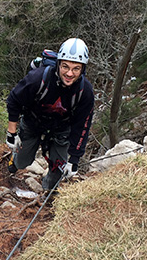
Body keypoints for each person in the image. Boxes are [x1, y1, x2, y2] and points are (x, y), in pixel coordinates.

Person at [6, 38, 95, 190]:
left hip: (61, 128)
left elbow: (83, 126)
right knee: (22, 163)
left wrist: (74, 159)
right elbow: (14, 99)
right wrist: (12, 133)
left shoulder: (84, 92)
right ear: (58, 64)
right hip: (33, 123)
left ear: (82, 70)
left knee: (58, 171)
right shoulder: (38, 78)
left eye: (76, 69)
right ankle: (15, 162)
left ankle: (48, 192)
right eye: (65, 66)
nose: (69, 73)